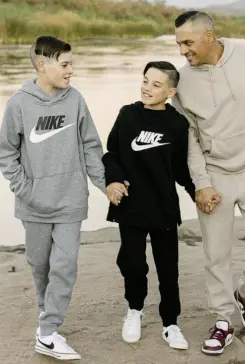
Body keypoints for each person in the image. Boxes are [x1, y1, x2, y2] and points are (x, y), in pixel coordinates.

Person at [169, 10, 245, 356]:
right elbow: (190, 140)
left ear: (208, 36)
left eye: (187, 42)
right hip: (216, 174)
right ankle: (223, 319)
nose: (182, 50)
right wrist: (201, 184)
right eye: (179, 43)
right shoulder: (182, 82)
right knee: (216, 254)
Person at [0, 36, 111, 361]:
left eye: (71, 64)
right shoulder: (19, 104)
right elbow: (7, 153)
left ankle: (47, 333)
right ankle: (45, 316)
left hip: (70, 202)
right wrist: (25, 189)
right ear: (42, 66)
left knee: (64, 267)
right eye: (65, 64)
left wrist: (106, 185)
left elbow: (91, 145)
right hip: (33, 205)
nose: (71, 70)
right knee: (41, 266)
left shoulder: (75, 99)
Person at [102, 61, 196, 350]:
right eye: (145, 80)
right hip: (130, 205)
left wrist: (197, 192)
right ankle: (134, 310)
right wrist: (113, 181)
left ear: (171, 91)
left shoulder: (178, 124)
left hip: (164, 206)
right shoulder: (128, 115)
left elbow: (181, 168)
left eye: (156, 84)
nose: (147, 87)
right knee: (132, 263)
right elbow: (111, 154)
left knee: (169, 269)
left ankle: (170, 323)